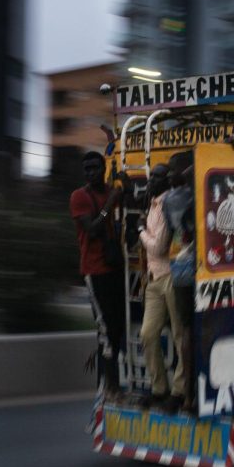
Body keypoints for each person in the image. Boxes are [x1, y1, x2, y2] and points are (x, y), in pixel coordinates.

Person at [70, 151, 125, 403]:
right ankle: (109, 389)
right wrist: (110, 204)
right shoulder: (79, 197)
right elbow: (91, 229)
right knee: (104, 331)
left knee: (116, 329)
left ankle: (111, 384)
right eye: (86, 169)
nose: (90, 173)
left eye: (94, 168)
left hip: (114, 269)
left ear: (103, 168)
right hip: (94, 271)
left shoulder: (109, 191)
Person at [138, 162, 182, 412]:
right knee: (147, 334)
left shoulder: (167, 204)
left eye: (156, 178)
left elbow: (159, 247)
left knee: (179, 337)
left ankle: (178, 391)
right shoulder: (153, 204)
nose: (151, 181)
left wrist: (141, 231)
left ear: (166, 181)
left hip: (170, 276)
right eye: (151, 177)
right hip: (154, 277)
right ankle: (159, 388)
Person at [163, 151, 195, 410]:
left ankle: (187, 393)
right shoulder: (188, 194)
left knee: (184, 331)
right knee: (191, 331)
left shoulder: (167, 200)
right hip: (193, 268)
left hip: (177, 267)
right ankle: (192, 394)